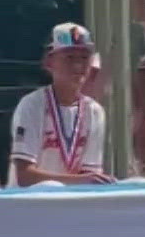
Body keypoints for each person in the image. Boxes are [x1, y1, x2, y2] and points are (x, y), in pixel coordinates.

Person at [9, 23, 113, 186]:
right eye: (69, 58)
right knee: (50, 186)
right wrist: (81, 181)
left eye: (84, 58)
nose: (78, 66)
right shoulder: (31, 105)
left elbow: (90, 175)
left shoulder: (95, 111)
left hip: (72, 204)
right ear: (50, 62)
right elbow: (24, 176)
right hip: (31, 204)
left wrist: (88, 181)